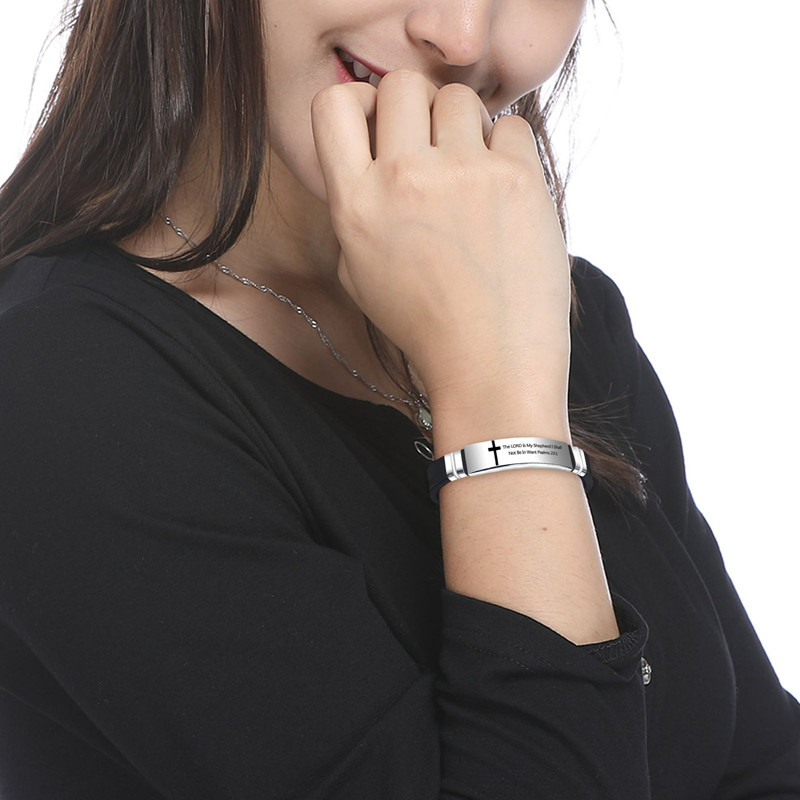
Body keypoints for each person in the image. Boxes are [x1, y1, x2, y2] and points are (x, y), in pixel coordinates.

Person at [0, 0, 798, 797]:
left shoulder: (550, 311)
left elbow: (760, 766)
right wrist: (494, 396)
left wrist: (502, 355)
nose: (460, 35)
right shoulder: (57, 381)